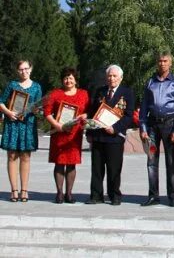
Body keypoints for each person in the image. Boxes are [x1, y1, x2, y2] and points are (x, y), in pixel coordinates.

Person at [139, 51, 174, 207]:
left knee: (171, 161)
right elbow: (144, 106)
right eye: (159, 61)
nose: (162, 63)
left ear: (170, 63)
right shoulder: (150, 82)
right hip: (152, 126)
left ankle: (172, 195)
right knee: (151, 160)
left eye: (165, 61)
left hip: (169, 124)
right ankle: (153, 195)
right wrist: (143, 127)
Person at [85, 64, 134, 205]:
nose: (112, 79)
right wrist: (89, 131)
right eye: (109, 76)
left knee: (114, 168)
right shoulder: (100, 91)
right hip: (98, 135)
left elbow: (129, 115)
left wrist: (116, 128)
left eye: (114, 76)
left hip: (115, 137)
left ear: (120, 78)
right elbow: (92, 112)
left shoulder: (127, 92)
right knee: (97, 168)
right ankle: (96, 195)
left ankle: (114, 195)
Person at [43, 67, 90, 204]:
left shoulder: (84, 94)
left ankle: (69, 193)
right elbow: (47, 112)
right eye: (65, 78)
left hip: (74, 135)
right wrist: (56, 125)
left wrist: (85, 115)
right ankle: (59, 193)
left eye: (70, 78)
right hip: (59, 133)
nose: (68, 80)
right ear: (62, 80)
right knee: (59, 163)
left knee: (71, 164)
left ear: (75, 80)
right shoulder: (55, 94)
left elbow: (89, 111)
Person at [0, 60, 42, 202]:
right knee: (12, 156)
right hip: (12, 124)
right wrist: (8, 112)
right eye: (21, 69)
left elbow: (38, 106)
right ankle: (14, 190)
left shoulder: (37, 87)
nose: (24, 71)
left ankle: (24, 190)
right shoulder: (12, 85)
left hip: (28, 125)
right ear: (18, 71)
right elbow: (1, 101)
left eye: (26, 68)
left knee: (25, 157)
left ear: (31, 69)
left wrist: (37, 109)